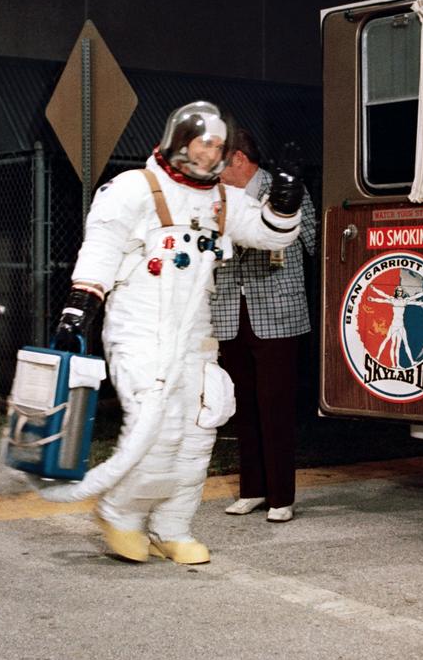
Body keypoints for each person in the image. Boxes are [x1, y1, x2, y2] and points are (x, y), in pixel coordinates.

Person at [38, 100, 303, 565]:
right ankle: (120, 512)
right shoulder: (132, 189)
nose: (210, 153)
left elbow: (270, 234)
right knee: (158, 431)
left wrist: (284, 203)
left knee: (201, 428)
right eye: (204, 143)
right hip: (141, 330)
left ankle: (172, 527)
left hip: (195, 333)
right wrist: (78, 311)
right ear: (181, 142)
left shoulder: (220, 198)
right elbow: (101, 250)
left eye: (219, 146)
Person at [212, 129, 317, 523]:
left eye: (219, 163)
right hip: (229, 313)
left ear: (238, 159)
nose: (214, 172)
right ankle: (252, 490)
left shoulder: (284, 188)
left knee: (276, 407)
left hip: (277, 314)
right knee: (243, 407)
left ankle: (281, 497)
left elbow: (313, 241)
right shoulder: (215, 196)